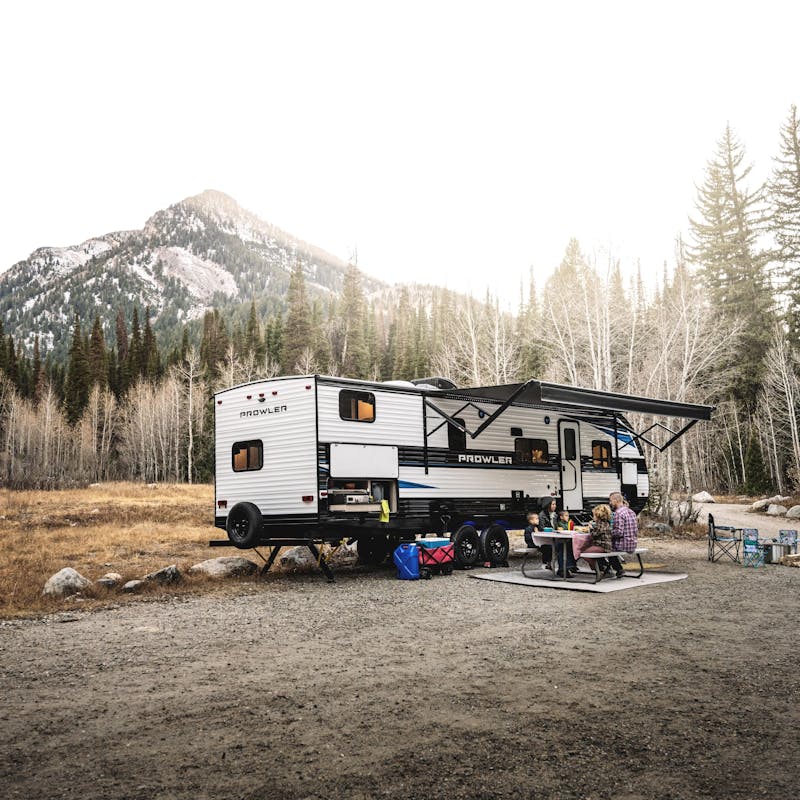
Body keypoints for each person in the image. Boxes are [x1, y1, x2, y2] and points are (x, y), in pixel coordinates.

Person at [576, 503, 623, 577]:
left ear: (598, 515)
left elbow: (594, 535)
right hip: (606, 546)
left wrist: (591, 528)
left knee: (584, 554)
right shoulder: (606, 523)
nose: (593, 517)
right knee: (588, 551)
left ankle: (600, 569)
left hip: (602, 546)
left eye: (594, 515)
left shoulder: (600, 524)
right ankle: (603, 567)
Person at [609, 491, 639, 577]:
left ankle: (613, 569)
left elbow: (618, 532)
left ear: (615, 501)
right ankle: (617, 569)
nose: (610, 503)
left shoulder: (618, 513)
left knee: (603, 547)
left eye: (610, 501)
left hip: (622, 545)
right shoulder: (631, 512)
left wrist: (607, 533)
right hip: (633, 544)